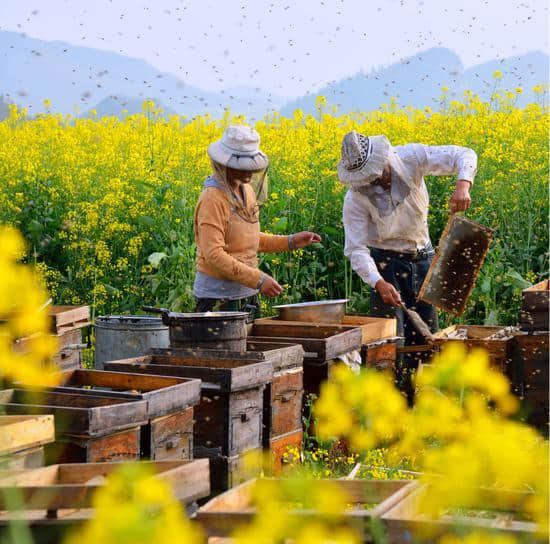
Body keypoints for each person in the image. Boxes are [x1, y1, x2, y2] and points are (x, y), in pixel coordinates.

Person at [338, 132, 477, 402]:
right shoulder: (354, 199)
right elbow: (356, 249)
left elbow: (465, 154)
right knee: (390, 344)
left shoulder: (411, 157)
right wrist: (378, 281)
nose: (376, 181)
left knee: (428, 338)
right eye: (368, 178)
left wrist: (463, 185)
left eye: (377, 174)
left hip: (423, 260)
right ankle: (391, 412)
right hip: (385, 266)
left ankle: (426, 409)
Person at [194, 125, 321, 315]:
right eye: (241, 167)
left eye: (251, 166)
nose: (248, 173)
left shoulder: (246, 190)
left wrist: (290, 241)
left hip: (247, 295)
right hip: (218, 299)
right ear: (225, 164)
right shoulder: (212, 198)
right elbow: (213, 254)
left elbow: (248, 239)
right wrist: (258, 279)